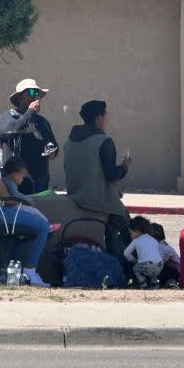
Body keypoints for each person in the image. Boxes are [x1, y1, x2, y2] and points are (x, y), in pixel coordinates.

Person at [0, 128, 50, 287]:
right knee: (42, 226)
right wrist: (27, 205)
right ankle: (30, 272)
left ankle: (7, 271)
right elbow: (7, 198)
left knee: (24, 232)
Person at [63, 100, 133, 259]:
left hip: (76, 198)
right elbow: (111, 175)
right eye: (105, 116)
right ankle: (124, 269)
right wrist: (125, 166)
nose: (106, 120)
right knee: (129, 230)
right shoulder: (103, 141)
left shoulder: (69, 142)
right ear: (98, 118)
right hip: (100, 202)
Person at [0, 79, 58, 194]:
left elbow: (51, 144)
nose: (36, 97)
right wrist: (29, 112)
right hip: (16, 181)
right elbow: (11, 130)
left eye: (37, 93)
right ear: (19, 97)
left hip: (40, 180)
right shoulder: (9, 117)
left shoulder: (42, 121)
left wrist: (51, 150)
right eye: (31, 92)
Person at [123, 216, 163, 289]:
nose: (130, 236)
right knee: (152, 270)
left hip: (147, 266)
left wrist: (134, 260)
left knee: (136, 268)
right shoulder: (153, 239)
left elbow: (126, 253)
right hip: (160, 266)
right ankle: (155, 283)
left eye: (131, 233)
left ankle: (143, 284)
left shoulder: (136, 241)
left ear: (137, 231)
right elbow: (159, 253)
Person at [147, 221, 181, 287]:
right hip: (175, 269)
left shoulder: (160, 247)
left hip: (175, 272)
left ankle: (169, 281)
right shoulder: (162, 244)